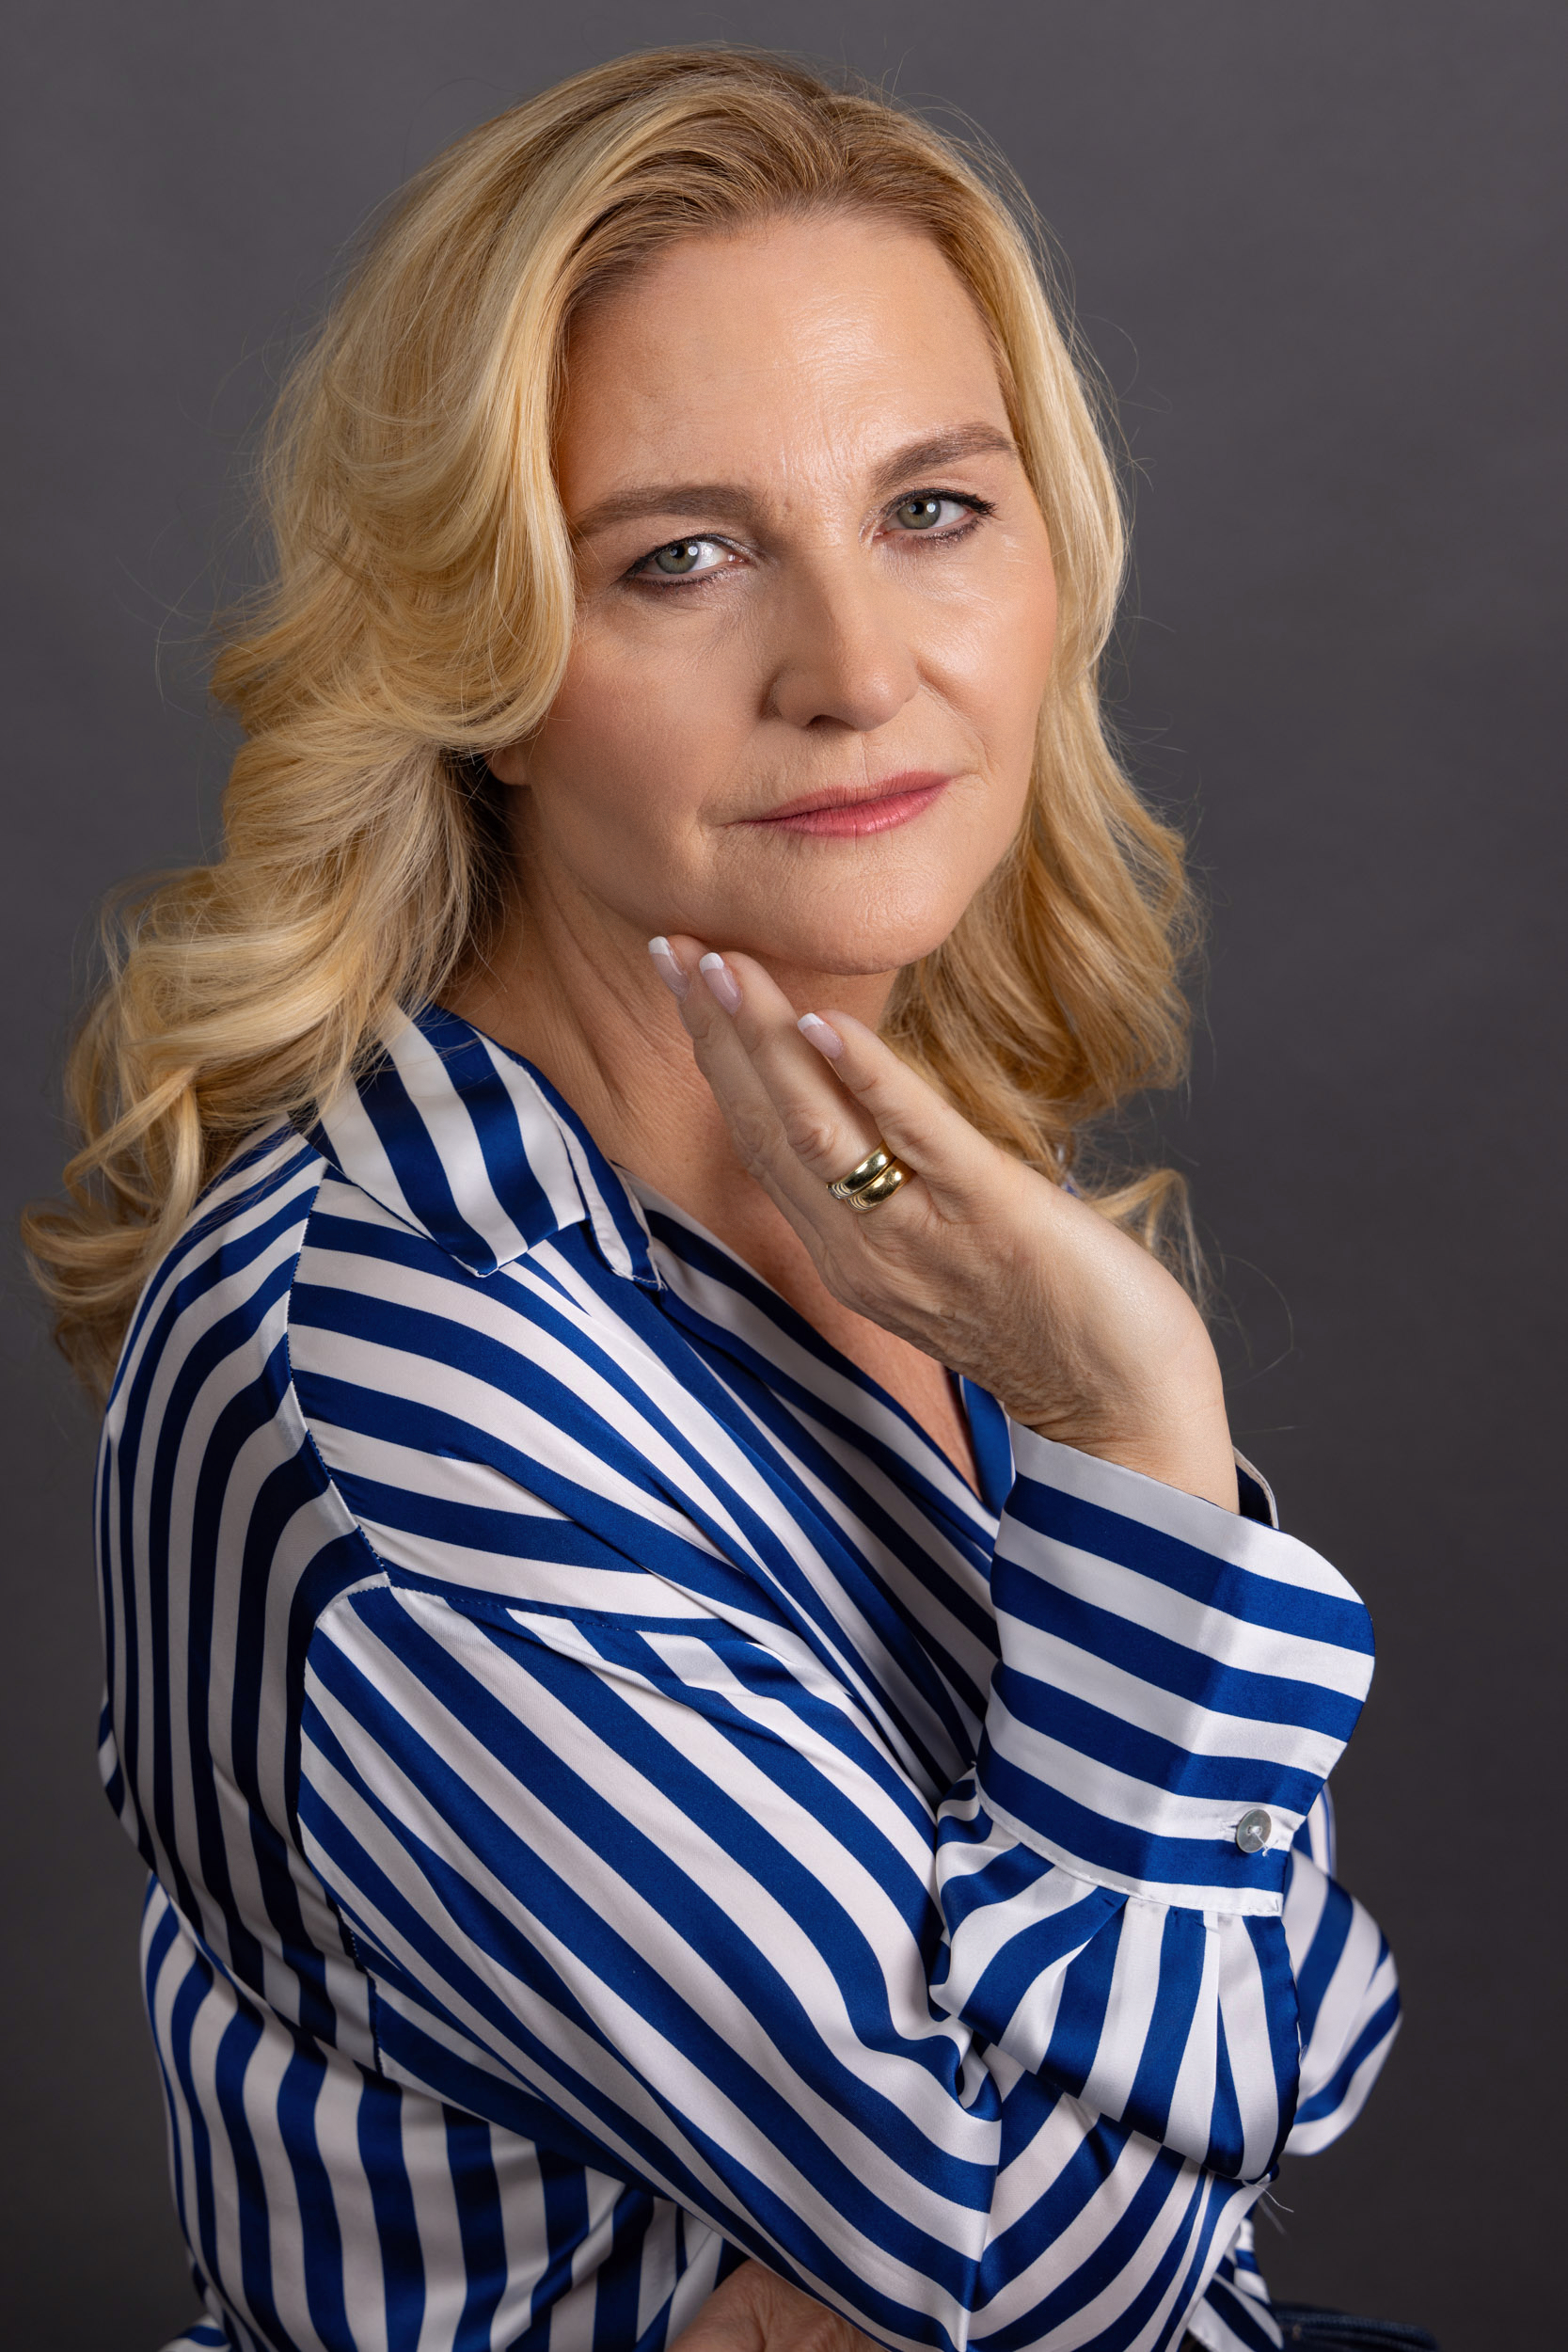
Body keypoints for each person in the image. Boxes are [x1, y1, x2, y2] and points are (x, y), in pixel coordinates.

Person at [25, 48, 1402, 2352]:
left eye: (934, 509)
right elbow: (1039, 2263)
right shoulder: (401, 1352)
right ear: (482, 664)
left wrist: (1015, 2169)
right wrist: (1144, 1440)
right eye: (682, 556)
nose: (857, 672)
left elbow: (1295, 2054)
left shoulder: (903, 1193)